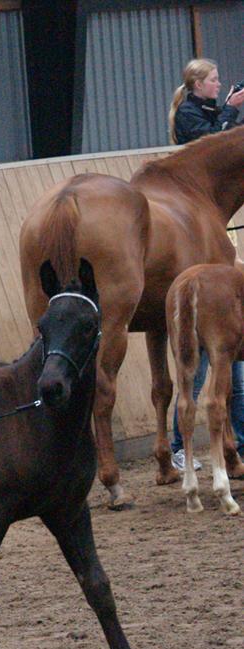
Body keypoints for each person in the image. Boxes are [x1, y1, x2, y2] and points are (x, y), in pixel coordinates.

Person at [166, 60, 244, 470]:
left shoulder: (208, 111)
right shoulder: (192, 116)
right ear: (198, 83)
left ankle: (239, 440)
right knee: (200, 361)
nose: (218, 84)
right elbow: (214, 145)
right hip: (195, 240)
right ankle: (183, 444)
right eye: (213, 79)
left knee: (232, 359)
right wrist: (232, 110)